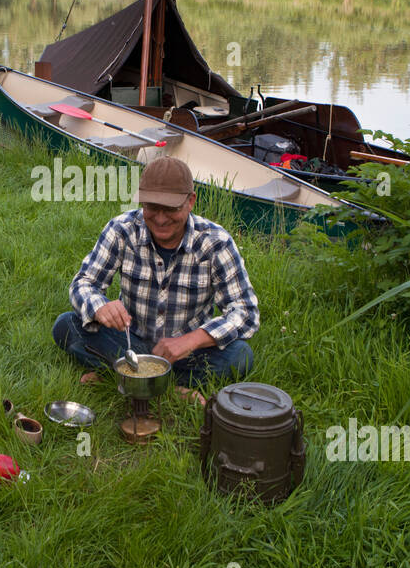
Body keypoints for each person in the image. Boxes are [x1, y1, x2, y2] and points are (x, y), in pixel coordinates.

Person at [51, 157, 258, 400]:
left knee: (240, 356)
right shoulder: (122, 229)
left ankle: (122, 375)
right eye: (151, 207)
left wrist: (190, 341)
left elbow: (245, 312)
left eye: (170, 209)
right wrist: (100, 307)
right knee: (66, 326)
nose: (160, 219)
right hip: (130, 344)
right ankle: (169, 387)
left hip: (187, 355)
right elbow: (84, 283)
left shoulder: (215, 242)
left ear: (190, 201)